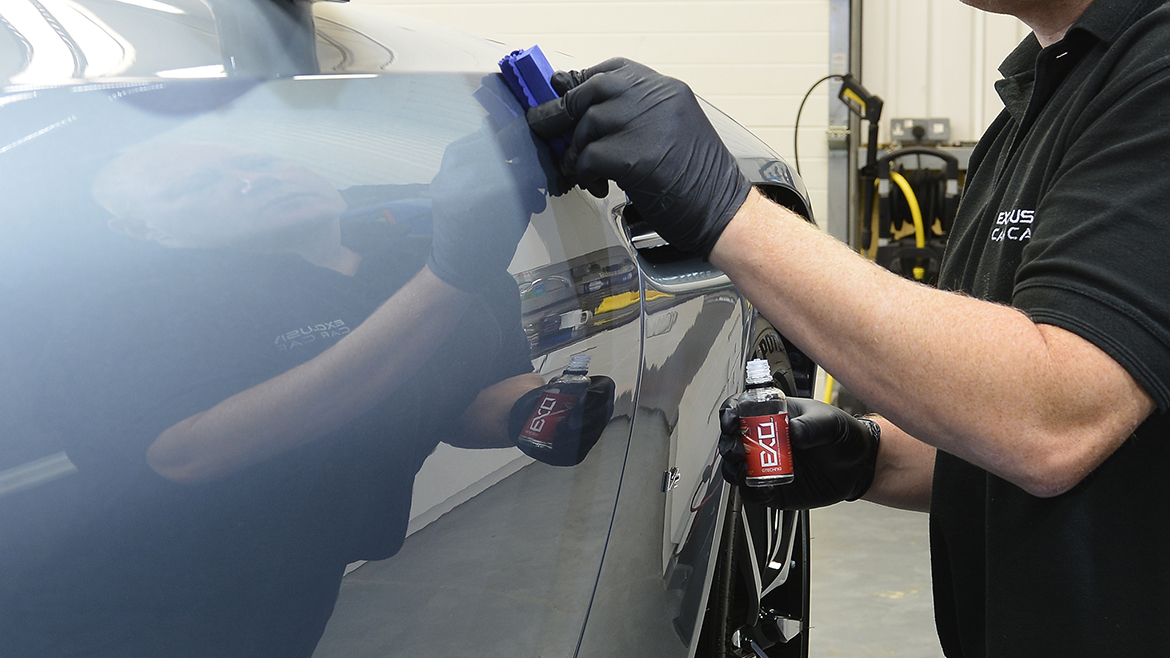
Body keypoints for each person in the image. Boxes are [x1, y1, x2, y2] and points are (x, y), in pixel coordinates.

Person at [527, 0, 1170, 655]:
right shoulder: (1035, 104)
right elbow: (1055, 426)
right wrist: (871, 457)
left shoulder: (1155, 71)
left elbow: (1057, 419)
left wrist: (727, 211)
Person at [0, 132, 546, 657]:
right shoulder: (126, 311)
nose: (252, 180)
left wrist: (540, 413)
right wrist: (449, 279)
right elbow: (190, 452)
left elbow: (471, 401)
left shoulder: (422, 257)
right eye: (197, 184)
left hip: (295, 591)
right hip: (121, 614)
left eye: (260, 162)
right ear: (144, 229)